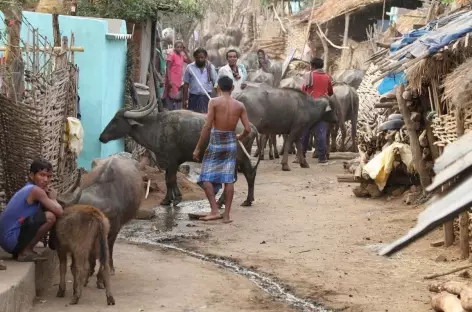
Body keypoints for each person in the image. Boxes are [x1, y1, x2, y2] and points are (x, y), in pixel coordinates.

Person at [192, 76, 251, 223]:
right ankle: (226, 216)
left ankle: (214, 210)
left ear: (218, 88)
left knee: (205, 177)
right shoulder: (240, 105)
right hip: (231, 142)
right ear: (232, 88)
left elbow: (207, 126)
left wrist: (198, 148)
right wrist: (239, 136)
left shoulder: (214, 102)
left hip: (216, 141)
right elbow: (248, 129)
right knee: (228, 179)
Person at [0, 159, 63, 262]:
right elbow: (59, 212)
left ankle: (22, 250)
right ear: (31, 175)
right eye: (42, 175)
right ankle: (25, 252)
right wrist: (53, 198)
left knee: (43, 213)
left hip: (6, 241)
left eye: (49, 176)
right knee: (50, 217)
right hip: (11, 239)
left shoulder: (28, 188)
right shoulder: (36, 190)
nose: (46, 179)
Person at [301, 57, 333, 163]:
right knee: (321, 133)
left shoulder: (308, 75)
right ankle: (322, 157)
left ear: (312, 66)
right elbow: (330, 92)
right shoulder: (327, 77)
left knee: (305, 132)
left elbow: (303, 91)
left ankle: (301, 155)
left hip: (310, 106)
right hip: (323, 107)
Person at [182, 48, 218, 113]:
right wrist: (185, 100)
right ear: (194, 57)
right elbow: (186, 84)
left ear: (206, 57)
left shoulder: (210, 67)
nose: (200, 59)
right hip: (193, 97)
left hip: (206, 97)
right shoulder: (190, 67)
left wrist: (219, 99)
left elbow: (215, 83)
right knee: (193, 117)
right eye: (197, 57)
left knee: (206, 117)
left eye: (202, 57)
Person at [163, 41, 191, 110]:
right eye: (177, 47)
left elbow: (190, 62)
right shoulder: (171, 55)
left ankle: (175, 112)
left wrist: (185, 52)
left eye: (181, 47)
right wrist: (169, 80)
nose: (179, 48)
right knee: (171, 98)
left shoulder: (181, 56)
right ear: (174, 47)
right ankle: (169, 112)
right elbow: (168, 68)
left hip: (178, 80)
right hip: (172, 80)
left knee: (177, 98)